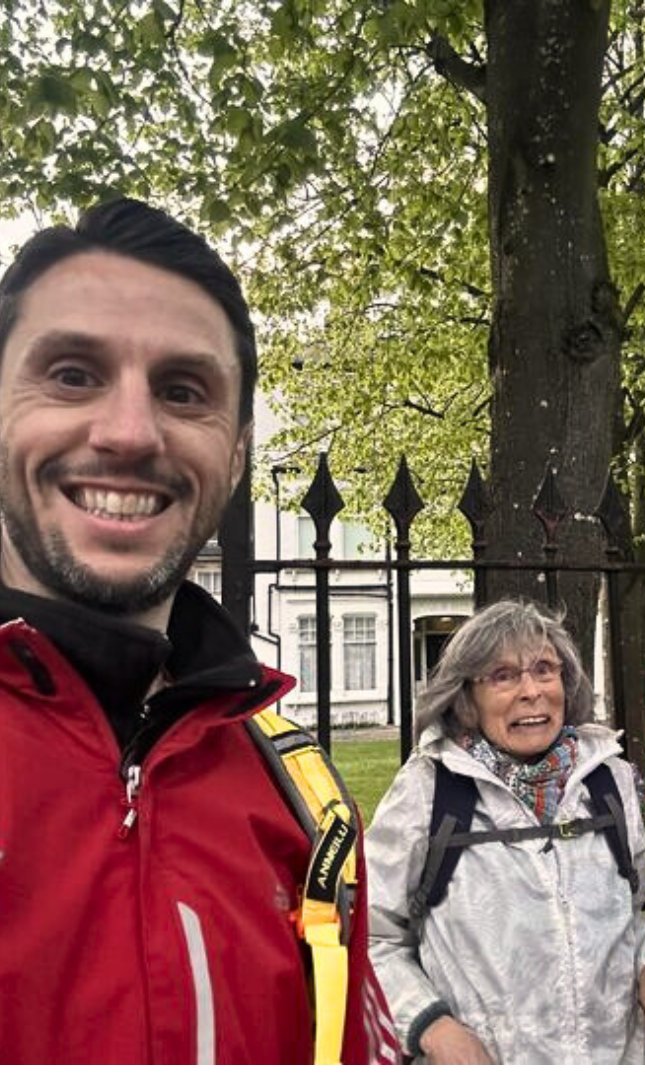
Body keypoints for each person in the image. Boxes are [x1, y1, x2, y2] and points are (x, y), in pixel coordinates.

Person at [0, 198, 396, 1064]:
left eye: (184, 392)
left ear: (240, 451)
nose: (131, 433)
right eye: (72, 374)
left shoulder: (310, 810)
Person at [366, 598, 645, 1064]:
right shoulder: (428, 793)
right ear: (467, 697)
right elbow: (371, 938)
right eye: (503, 676)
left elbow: (630, 921)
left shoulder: (610, 782)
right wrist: (430, 1024)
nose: (531, 691)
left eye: (545, 670)